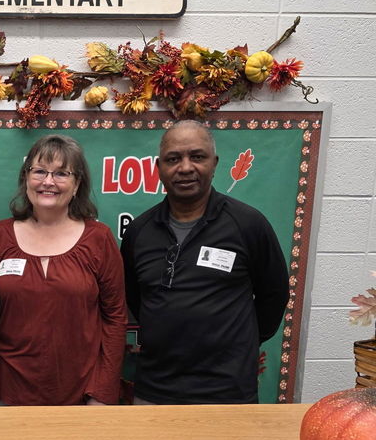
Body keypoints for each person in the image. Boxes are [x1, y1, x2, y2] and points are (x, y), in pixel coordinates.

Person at [120, 119, 290, 405]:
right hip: (155, 389)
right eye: (173, 159)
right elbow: (135, 299)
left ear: (214, 163)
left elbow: (274, 296)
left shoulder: (248, 224)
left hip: (227, 391)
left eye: (197, 156)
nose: (185, 167)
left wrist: (236, 344)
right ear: (158, 168)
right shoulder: (140, 231)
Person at [0, 135, 127, 406]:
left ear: (77, 184)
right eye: (39, 171)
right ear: (26, 179)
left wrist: (103, 393)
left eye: (61, 173)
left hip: (81, 395)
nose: (48, 182)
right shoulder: (0, 236)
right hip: (8, 393)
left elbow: (116, 319)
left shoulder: (99, 238)